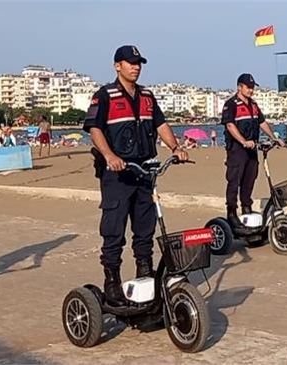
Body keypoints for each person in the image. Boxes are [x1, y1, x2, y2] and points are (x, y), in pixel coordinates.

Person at [82, 45, 189, 306]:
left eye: (138, 63)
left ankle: (145, 273)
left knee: (145, 228)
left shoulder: (147, 97)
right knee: (114, 230)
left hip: (145, 171)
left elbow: (160, 125)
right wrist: (109, 156)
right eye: (130, 63)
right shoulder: (104, 96)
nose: (136, 67)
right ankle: (112, 281)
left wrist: (175, 147)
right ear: (117, 65)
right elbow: (94, 129)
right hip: (117, 174)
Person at [220, 73, 284, 230]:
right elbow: (229, 125)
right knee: (234, 180)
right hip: (237, 150)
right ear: (239, 87)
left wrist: (274, 137)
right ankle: (232, 212)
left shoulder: (253, 105)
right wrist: (242, 141)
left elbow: (261, 122)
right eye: (248, 87)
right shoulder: (231, 104)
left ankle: (246, 207)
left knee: (250, 179)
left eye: (252, 87)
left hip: (252, 148)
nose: (251, 90)